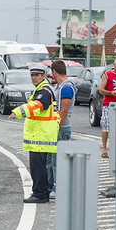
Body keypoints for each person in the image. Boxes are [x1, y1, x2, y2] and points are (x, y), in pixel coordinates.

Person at [8, 63, 59, 204]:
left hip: (41, 136)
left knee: (38, 168)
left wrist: (18, 111)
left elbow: (36, 105)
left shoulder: (44, 91)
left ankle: (40, 193)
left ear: (44, 75)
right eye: (32, 75)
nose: (34, 78)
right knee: (40, 167)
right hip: (41, 135)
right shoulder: (42, 89)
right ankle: (41, 192)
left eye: (37, 75)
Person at [47, 60, 77, 199]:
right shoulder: (59, 86)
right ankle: (52, 186)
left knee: (57, 161)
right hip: (57, 127)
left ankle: (60, 188)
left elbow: (64, 111)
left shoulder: (66, 87)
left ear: (54, 72)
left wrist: (56, 127)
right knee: (52, 161)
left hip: (62, 128)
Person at [99, 59, 116, 159]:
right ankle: (104, 148)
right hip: (108, 105)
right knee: (106, 126)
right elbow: (101, 90)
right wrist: (111, 93)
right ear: (113, 66)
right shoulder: (107, 74)